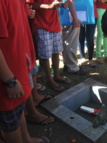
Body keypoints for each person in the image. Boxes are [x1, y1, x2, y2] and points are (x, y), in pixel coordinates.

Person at [0, 0, 50, 142]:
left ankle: (26, 138)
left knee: (18, 109)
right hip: (7, 76)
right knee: (10, 123)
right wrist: (9, 80)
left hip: (19, 67)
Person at [28, 0, 71, 92]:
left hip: (55, 25)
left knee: (56, 52)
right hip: (42, 25)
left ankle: (56, 75)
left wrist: (62, 4)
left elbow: (57, 2)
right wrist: (48, 6)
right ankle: (49, 79)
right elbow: (30, 5)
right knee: (45, 56)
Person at [62, 0, 87, 75]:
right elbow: (70, 1)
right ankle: (72, 67)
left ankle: (68, 64)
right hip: (70, 15)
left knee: (66, 41)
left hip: (64, 14)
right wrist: (75, 18)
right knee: (70, 42)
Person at [79, 1, 98, 68]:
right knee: (81, 37)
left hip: (92, 14)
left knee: (90, 38)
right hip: (80, 13)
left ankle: (90, 59)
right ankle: (82, 58)